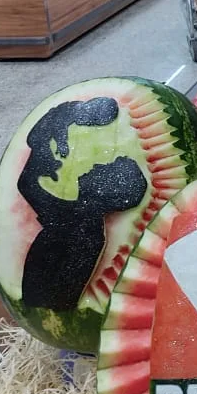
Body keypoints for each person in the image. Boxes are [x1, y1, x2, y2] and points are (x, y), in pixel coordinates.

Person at [17, 97, 149, 311]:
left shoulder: (81, 223)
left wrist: (39, 167)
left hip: (44, 302)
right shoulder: (83, 217)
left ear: (107, 191)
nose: (96, 164)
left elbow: (28, 188)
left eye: (105, 168)